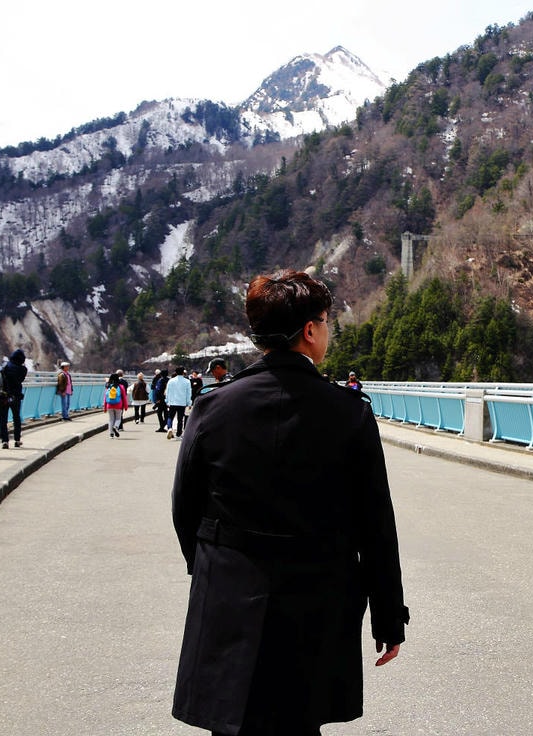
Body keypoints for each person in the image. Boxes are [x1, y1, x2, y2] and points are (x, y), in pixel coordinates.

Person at [171, 268, 407, 736]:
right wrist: (388, 616)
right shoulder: (348, 413)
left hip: (230, 596)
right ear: (311, 330)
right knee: (300, 724)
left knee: (232, 722)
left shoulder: (213, 408)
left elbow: (185, 507)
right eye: (326, 320)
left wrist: (212, 569)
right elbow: (375, 524)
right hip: (317, 602)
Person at [0, 348, 28, 449]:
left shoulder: (6, 366)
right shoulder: (23, 369)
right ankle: (17, 440)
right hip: (15, 397)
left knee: (3, 419)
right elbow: (22, 379)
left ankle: (5, 441)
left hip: (3, 396)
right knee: (16, 418)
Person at [165, 367, 193, 439]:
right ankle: (178, 434)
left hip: (172, 402)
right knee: (180, 419)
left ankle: (170, 428)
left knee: (170, 417)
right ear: (183, 372)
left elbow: (167, 392)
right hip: (182, 402)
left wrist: (167, 400)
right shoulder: (187, 381)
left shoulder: (171, 381)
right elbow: (188, 393)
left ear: (176, 372)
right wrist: (189, 403)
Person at [103, 372, 127, 438]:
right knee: (118, 419)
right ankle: (116, 427)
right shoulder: (120, 386)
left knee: (111, 419)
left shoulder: (108, 386)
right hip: (118, 405)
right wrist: (125, 406)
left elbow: (105, 397)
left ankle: (111, 434)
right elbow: (124, 397)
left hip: (109, 405)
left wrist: (104, 407)